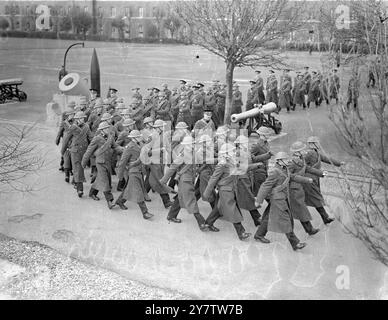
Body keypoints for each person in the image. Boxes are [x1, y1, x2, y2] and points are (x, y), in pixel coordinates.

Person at [254, 152, 312, 251]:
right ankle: (295, 243)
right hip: (278, 199)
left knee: (268, 217)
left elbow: (292, 177)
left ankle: (259, 235)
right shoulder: (275, 172)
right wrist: (259, 201)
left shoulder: (285, 169)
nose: (288, 161)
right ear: (279, 161)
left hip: (283, 197)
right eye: (285, 159)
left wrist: (306, 180)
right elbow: (265, 186)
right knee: (285, 220)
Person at [203, 143, 252, 241]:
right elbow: (213, 179)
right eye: (232, 151)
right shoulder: (222, 164)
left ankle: (207, 224)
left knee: (218, 208)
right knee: (232, 210)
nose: (234, 152)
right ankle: (241, 233)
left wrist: (255, 166)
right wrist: (206, 193)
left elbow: (241, 169)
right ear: (226, 153)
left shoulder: (232, 161)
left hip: (230, 188)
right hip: (225, 190)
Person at [161, 135, 209, 232]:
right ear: (185, 145)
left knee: (180, 198)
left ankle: (171, 216)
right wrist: (163, 181)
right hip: (184, 181)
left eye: (193, 144)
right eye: (190, 144)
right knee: (191, 200)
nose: (192, 146)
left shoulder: (193, 153)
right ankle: (201, 222)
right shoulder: (183, 155)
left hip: (189, 179)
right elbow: (173, 167)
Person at [81, 122, 123, 209]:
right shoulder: (97, 139)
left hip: (108, 162)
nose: (108, 129)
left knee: (101, 179)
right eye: (106, 128)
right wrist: (84, 162)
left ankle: (92, 193)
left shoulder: (110, 137)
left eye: (108, 128)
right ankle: (110, 201)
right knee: (105, 181)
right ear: (102, 130)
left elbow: (115, 147)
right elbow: (89, 151)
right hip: (100, 162)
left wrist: (123, 150)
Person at [303, 136, 344, 225]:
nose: (318, 144)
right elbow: (302, 165)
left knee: (314, 199)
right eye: (316, 143)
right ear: (311, 144)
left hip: (314, 179)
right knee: (316, 198)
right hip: (310, 180)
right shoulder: (309, 153)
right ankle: (325, 218)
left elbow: (326, 159)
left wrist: (338, 163)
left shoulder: (316, 153)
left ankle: (325, 218)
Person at [115, 130, 154, 220]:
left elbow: (146, 152)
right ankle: (145, 212)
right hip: (133, 171)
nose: (140, 137)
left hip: (139, 171)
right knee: (138, 191)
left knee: (129, 188)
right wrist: (120, 175)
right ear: (133, 138)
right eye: (138, 136)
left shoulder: (139, 144)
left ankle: (120, 201)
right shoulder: (129, 147)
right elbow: (123, 162)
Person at [288, 141, 324, 236]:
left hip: (299, 188)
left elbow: (308, 168)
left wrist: (321, 173)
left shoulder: (301, 159)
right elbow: (288, 176)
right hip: (293, 190)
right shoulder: (291, 163)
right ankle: (309, 230)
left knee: (300, 210)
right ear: (297, 152)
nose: (304, 151)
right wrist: (305, 179)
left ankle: (309, 230)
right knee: (299, 209)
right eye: (302, 150)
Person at [61, 111, 93, 198]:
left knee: (79, 168)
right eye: (82, 118)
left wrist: (93, 148)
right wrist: (63, 151)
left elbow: (91, 138)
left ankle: (75, 181)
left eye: (84, 118)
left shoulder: (86, 126)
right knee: (78, 169)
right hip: (75, 151)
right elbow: (66, 139)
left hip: (84, 151)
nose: (83, 119)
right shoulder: (72, 127)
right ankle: (80, 189)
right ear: (77, 119)